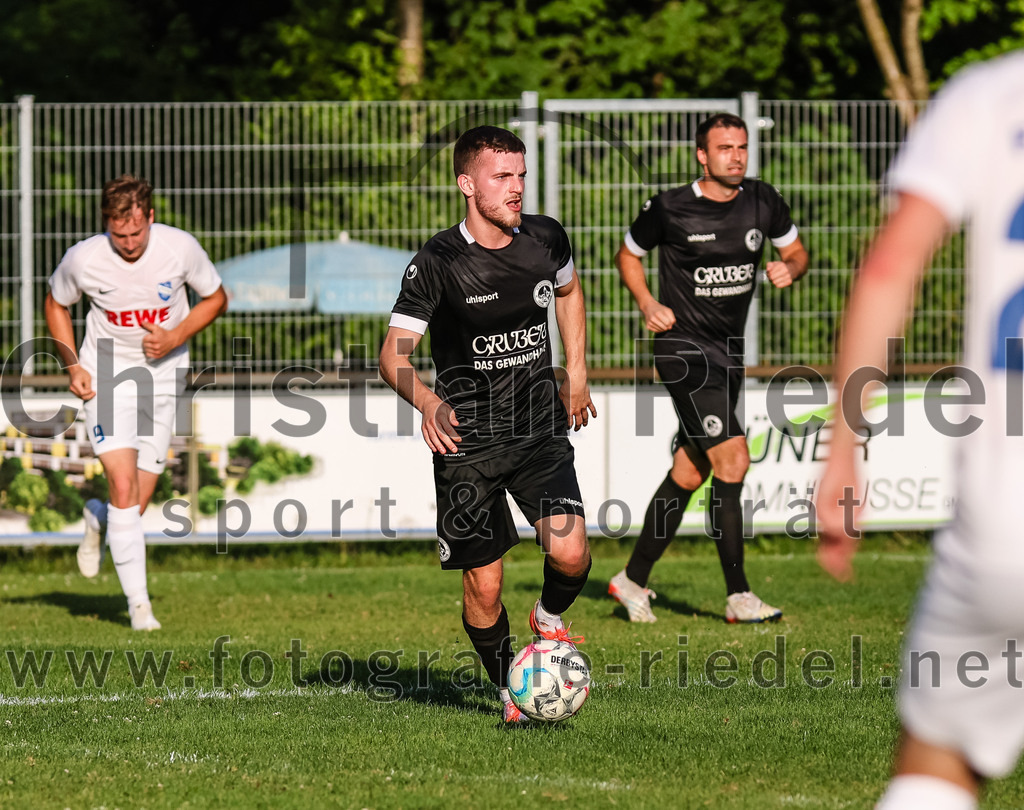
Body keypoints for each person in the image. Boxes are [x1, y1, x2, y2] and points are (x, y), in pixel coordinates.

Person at [817, 51, 1024, 809]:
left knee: (932, 769)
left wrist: (844, 450)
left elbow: (887, 267)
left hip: (1008, 527)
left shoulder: (991, 94)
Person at [379, 125, 596, 723]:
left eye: (521, 175)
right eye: (503, 177)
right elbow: (391, 356)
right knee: (485, 586)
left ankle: (548, 622)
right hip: (468, 443)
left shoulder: (547, 238)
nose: (517, 188)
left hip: (537, 430)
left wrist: (575, 370)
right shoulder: (438, 262)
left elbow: (571, 293)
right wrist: (427, 403)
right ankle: (513, 689)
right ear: (466, 184)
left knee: (573, 553)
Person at [608, 113, 809, 624]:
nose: (736, 156)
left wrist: (792, 266)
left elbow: (798, 251)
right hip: (683, 352)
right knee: (733, 459)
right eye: (725, 148)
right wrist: (646, 302)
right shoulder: (670, 207)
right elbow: (627, 255)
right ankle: (739, 596)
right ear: (702, 155)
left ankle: (631, 581)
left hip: (728, 357)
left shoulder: (764, 200)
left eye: (742, 147)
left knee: (690, 470)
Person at [45, 174, 227, 631]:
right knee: (124, 490)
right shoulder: (84, 258)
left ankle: (97, 516)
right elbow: (55, 304)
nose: (127, 243)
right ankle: (139, 608)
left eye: (135, 232)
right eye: (117, 233)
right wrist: (73, 366)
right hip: (105, 378)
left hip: (164, 380)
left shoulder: (179, 248)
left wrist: (174, 336)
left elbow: (217, 298)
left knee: (135, 504)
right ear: (106, 224)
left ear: (150, 216)